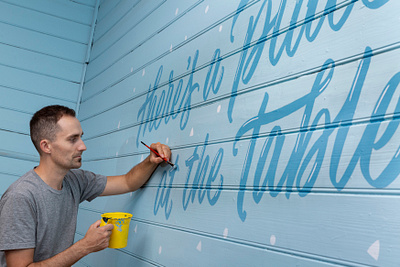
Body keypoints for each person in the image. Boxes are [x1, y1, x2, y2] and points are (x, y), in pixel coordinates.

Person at [0, 105, 171, 266]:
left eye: (81, 137)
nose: (83, 146)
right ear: (46, 146)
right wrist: (85, 246)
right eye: (73, 139)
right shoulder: (20, 197)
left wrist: (151, 160)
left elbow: (127, 182)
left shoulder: (75, 180)